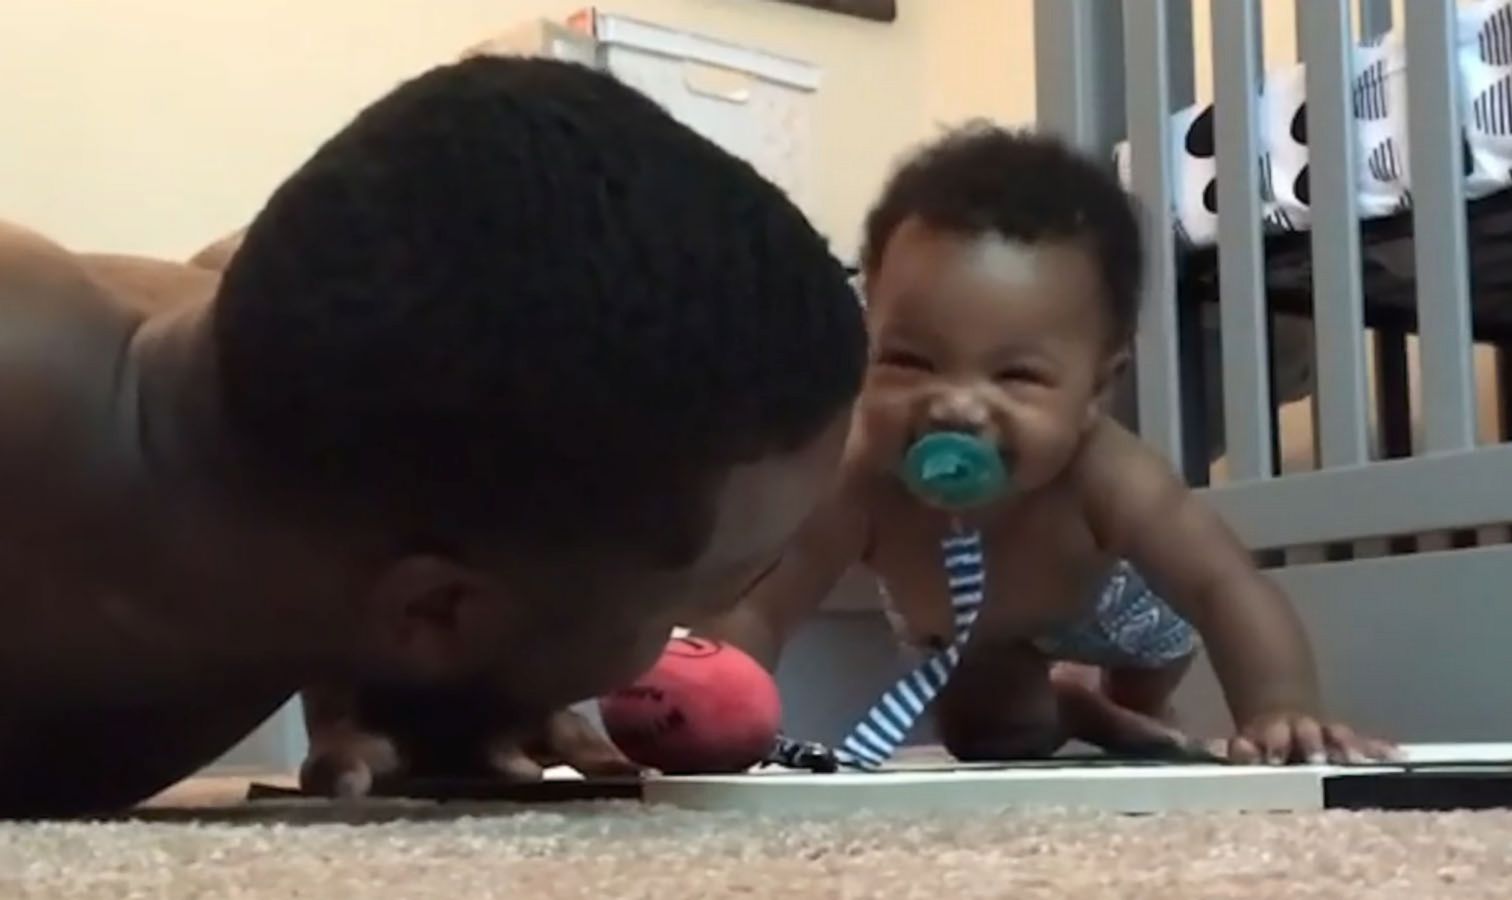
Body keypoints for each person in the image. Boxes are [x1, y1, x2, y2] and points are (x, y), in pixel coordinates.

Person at [0, 54, 865, 816]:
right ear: (439, 609)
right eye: (698, 597)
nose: (692, 644)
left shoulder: (300, 433)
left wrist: (427, 678)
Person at [696, 124, 1394, 766]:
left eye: (1016, 375)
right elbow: (764, 606)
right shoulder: (861, 478)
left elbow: (1221, 585)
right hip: (968, 633)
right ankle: (1072, 709)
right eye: (909, 360)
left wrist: (1279, 708)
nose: (956, 404)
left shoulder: (1112, 475)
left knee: (1152, 685)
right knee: (986, 738)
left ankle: (1132, 710)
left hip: (1117, 610)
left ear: (1096, 388)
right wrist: (704, 701)